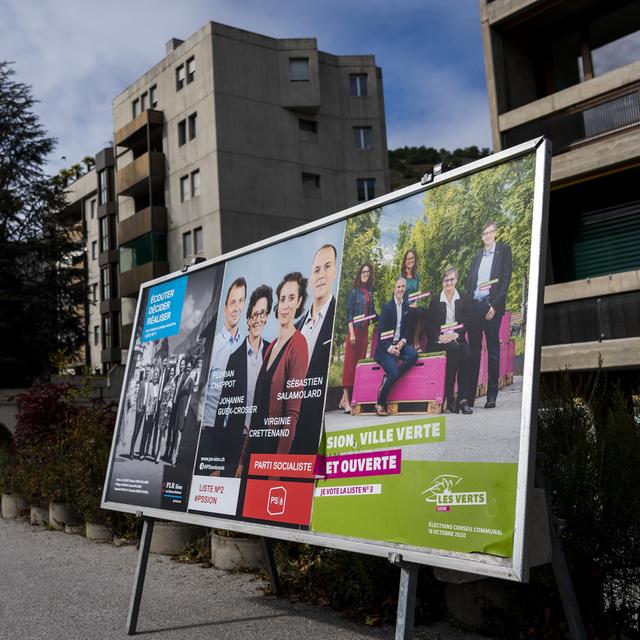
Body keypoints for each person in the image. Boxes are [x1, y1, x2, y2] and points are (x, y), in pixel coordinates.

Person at [238, 273, 308, 473]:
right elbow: (258, 405)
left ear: (299, 302)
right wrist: (243, 459)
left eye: (291, 298)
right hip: (254, 449)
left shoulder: (299, 344)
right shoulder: (270, 347)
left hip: (273, 452)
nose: (285, 305)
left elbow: (292, 415)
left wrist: (277, 468)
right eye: (282, 298)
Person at [213, 285, 272, 476]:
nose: (258, 320)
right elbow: (223, 409)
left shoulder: (273, 351)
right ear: (248, 319)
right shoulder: (234, 358)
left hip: (262, 442)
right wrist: (215, 462)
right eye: (254, 315)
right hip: (236, 444)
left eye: (262, 314)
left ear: (267, 317)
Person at [294, 244, 337, 453]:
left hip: (323, 429)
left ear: (335, 271)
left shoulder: (336, 319)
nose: (321, 275)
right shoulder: (296, 328)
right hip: (292, 431)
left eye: (327, 267)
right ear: (311, 277)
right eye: (316, 270)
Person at [466, 220, 512, 409]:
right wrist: (468, 302)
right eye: (484, 233)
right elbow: (470, 282)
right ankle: (469, 398)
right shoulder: (477, 256)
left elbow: (506, 280)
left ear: (495, 233)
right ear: (482, 236)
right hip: (475, 307)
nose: (487, 235)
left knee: (493, 351)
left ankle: (491, 395)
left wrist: (495, 304)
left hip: (491, 308)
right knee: (474, 352)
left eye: (490, 232)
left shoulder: (503, 251)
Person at [201, 277, 247, 426]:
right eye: (233, 302)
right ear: (225, 308)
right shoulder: (214, 347)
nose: (237, 308)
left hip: (234, 433)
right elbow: (200, 392)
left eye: (240, 301)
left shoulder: (246, 345)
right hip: (210, 428)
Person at [428, 267, 473, 415]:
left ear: (456, 280)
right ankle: (450, 397)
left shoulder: (463, 297)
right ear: (442, 282)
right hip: (439, 340)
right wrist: (439, 336)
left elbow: (467, 320)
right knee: (454, 351)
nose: (449, 283)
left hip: (457, 336)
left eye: (451, 279)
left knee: (466, 354)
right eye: (446, 280)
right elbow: (429, 326)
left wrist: (456, 334)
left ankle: (462, 399)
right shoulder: (435, 301)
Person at [374, 277, 419, 416]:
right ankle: (380, 402)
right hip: (385, 348)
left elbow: (406, 329)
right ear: (394, 289)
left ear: (404, 289)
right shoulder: (387, 307)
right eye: (398, 287)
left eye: (402, 287)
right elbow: (381, 333)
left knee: (414, 355)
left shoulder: (406, 306)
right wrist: (390, 349)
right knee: (394, 373)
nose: (400, 289)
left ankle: (389, 379)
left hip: (399, 344)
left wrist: (402, 342)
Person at [340, 262, 377, 413]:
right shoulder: (354, 292)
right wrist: (352, 333)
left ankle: (345, 400)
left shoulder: (370, 293)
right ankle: (346, 400)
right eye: (363, 271)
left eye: (368, 272)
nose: (365, 274)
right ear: (359, 273)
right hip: (354, 332)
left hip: (364, 333)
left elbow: (373, 314)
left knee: (358, 365)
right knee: (349, 365)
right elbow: (349, 315)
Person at [166, 358, 194, 465]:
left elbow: (190, 396)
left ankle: (175, 456)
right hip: (177, 406)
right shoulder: (182, 378)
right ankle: (171, 454)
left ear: (191, 368)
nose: (187, 369)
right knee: (174, 429)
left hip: (183, 408)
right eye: (186, 367)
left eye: (189, 367)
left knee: (178, 431)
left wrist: (187, 409)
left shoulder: (190, 380)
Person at [154, 362, 176, 462]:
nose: (171, 373)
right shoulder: (167, 382)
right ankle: (158, 453)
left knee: (162, 432)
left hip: (167, 411)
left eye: (173, 372)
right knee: (160, 432)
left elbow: (171, 400)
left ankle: (158, 454)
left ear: (175, 373)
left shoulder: (173, 384)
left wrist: (167, 412)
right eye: (170, 372)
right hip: (162, 409)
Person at [137, 366, 160, 459]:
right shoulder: (150, 385)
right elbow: (147, 401)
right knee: (145, 433)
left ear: (158, 377)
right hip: (148, 413)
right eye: (155, 374)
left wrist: (155, 413)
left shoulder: (158, 387)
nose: (156, 376)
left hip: (154, 413)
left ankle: (146, 451)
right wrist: (146, 413)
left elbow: (156, 401)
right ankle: (141, 452)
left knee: (150, 433)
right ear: (153, 376)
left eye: (157, 375)